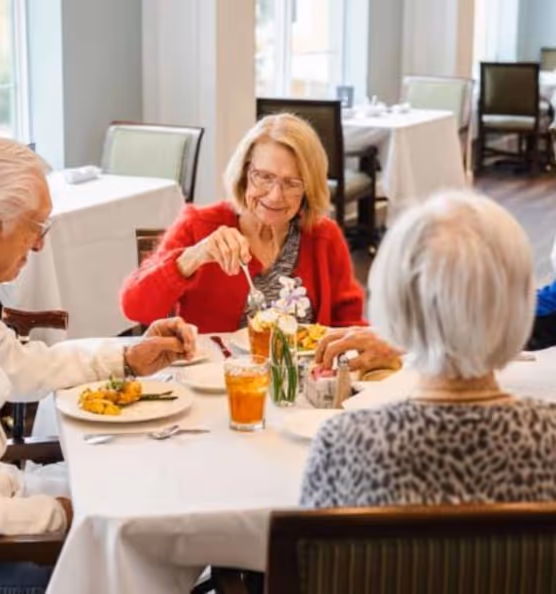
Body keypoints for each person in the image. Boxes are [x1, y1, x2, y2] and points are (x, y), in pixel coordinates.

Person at [0, 136, 195, 593]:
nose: (40, 246)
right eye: (35, 228)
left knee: (142, 507)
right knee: (138, 553)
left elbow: (20, 363)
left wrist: (126, 356)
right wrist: (60, 514)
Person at [301, 190, 556, 508]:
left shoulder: (345, 445)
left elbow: (318, 555)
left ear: (392, 302)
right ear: (513, 310)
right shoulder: (548, 441)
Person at [121, 113, 366, 333]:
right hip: (215, 380)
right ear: (244, 172)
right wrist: (193, 257)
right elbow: (134, 307)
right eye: (264, 177)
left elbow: (350, 327)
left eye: (292, 183)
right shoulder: (199, 225)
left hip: (300, 382)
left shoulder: (324, 237)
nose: (275, 196)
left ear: (309, 188)